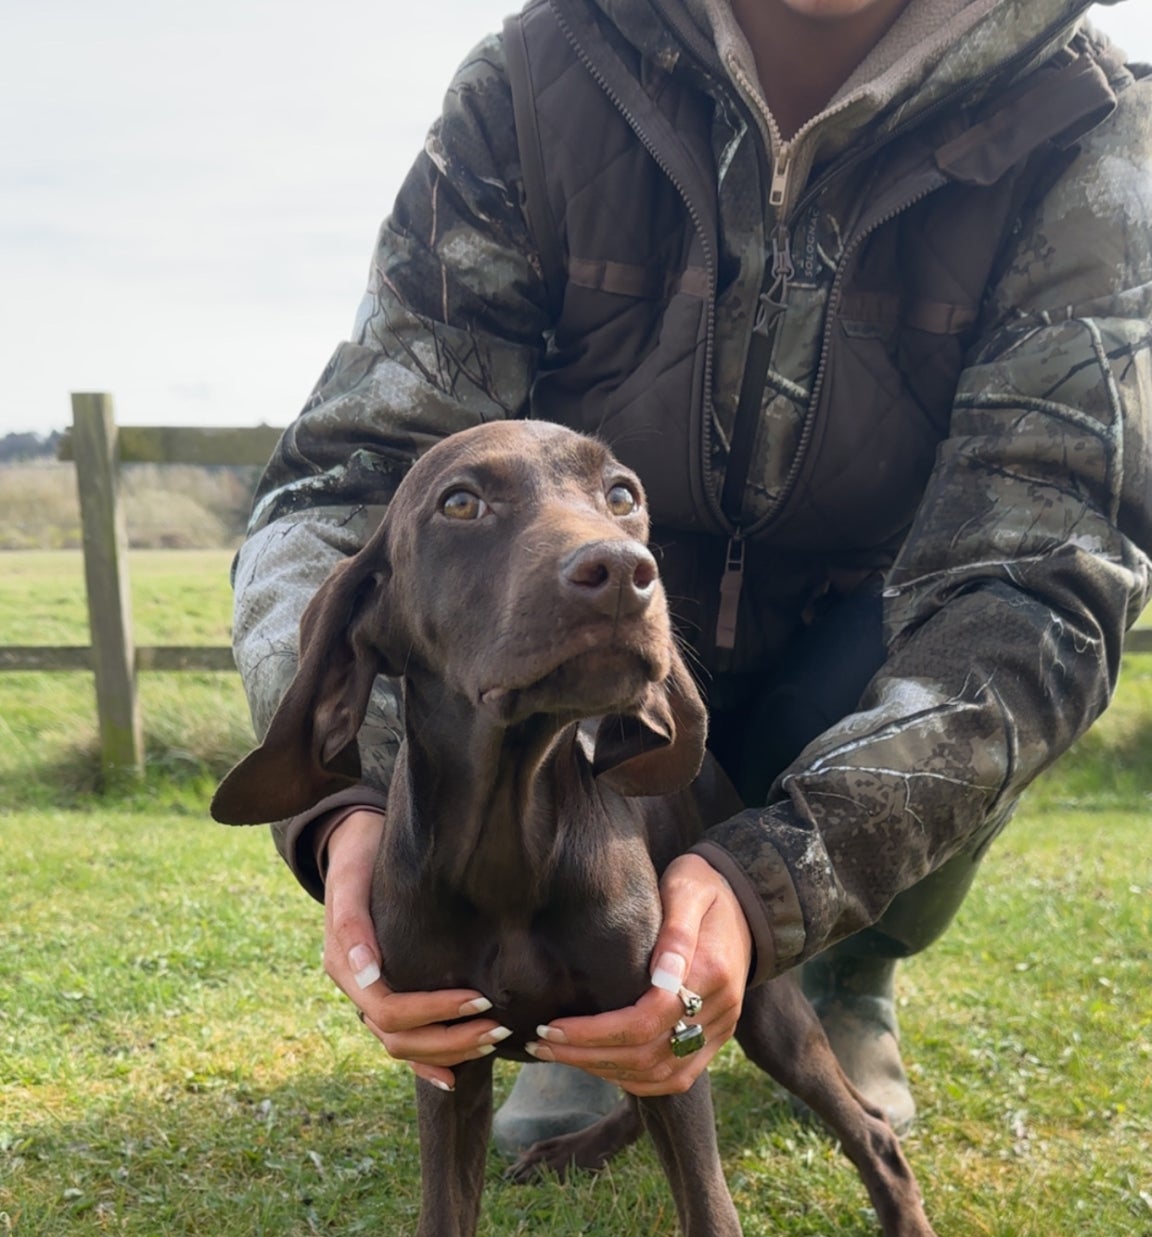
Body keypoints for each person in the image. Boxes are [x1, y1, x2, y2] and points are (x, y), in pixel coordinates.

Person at [233, 0, 1152, 1151]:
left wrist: (777, 888)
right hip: (580, 715)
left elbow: (1041, 574)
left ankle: (847, 966)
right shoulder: (538, 79)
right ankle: (594, 980)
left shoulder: (1088, 121)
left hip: (859, 657)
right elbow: (348, 488)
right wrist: (356, 804)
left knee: (964, 646)